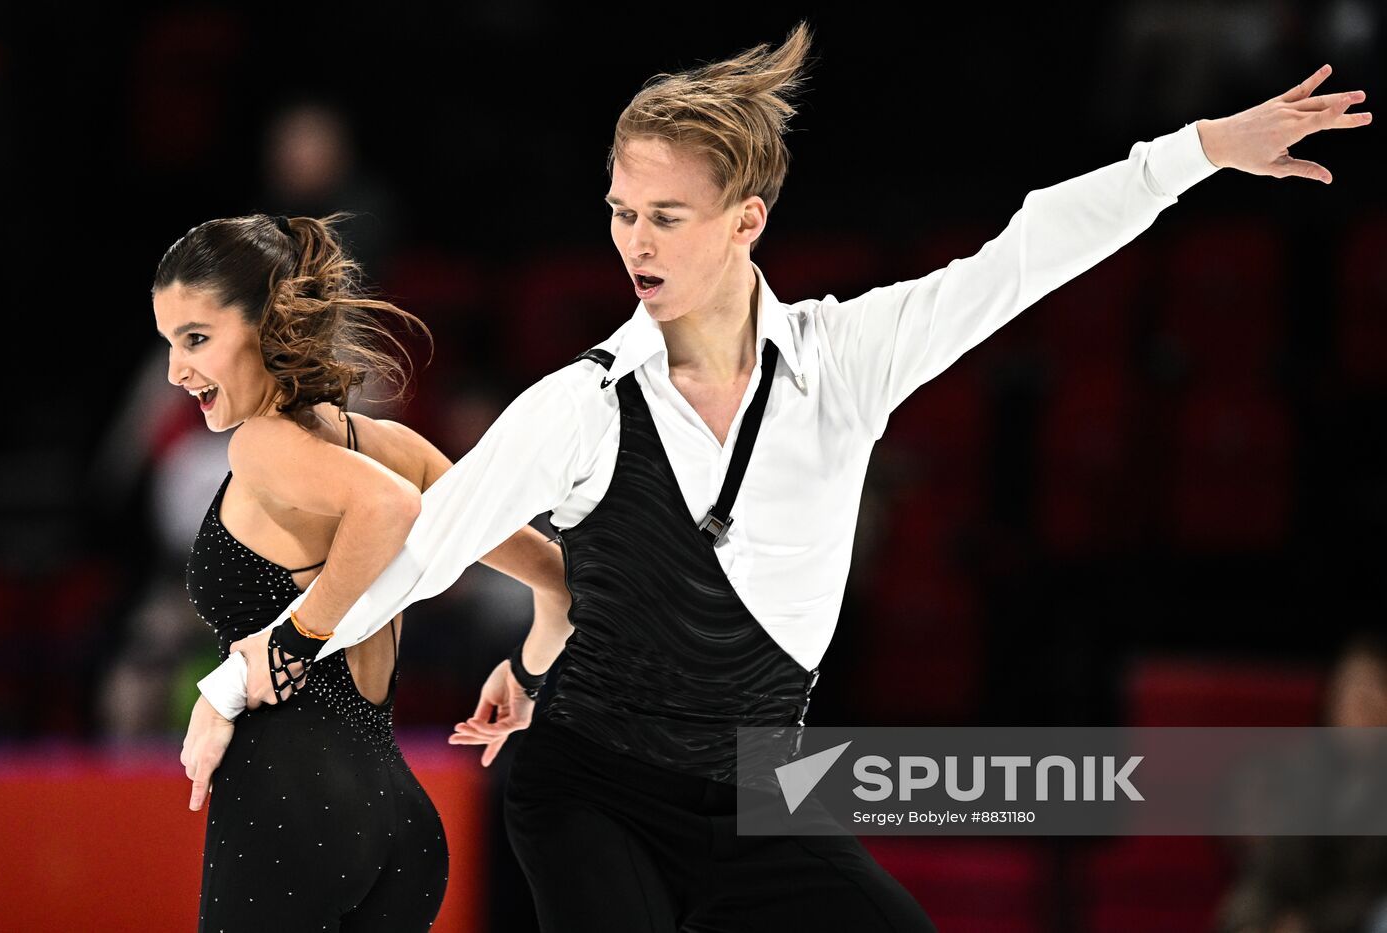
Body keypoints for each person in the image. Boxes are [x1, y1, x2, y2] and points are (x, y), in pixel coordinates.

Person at [186, 22, 1370, 932]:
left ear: (746, 220)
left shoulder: (843, 364)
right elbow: (421, 545)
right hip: (586, 786)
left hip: (764, 792)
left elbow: (1021, 258)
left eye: (665, 216)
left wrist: (1201, 150)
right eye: (617, 214)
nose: (633, 244)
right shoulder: (583, 405)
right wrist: (238, 685)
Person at [158, 212, 571, 932]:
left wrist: (290, 643)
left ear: (266, 323)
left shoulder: (262, 446)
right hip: (399, 819)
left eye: (196, 338)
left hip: (294, 800)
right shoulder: (393, 443)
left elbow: (389, 507)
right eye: (169, 344)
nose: (176, 370)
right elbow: (559, 578)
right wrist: (531, 670)